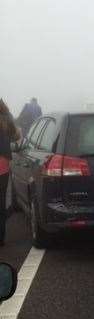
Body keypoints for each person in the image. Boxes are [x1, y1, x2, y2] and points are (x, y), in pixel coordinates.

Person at [0, 99, 21, 246]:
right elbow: (16, 136)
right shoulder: (6, 117)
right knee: (0, 200)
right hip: (2, 162)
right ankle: (0, 238)